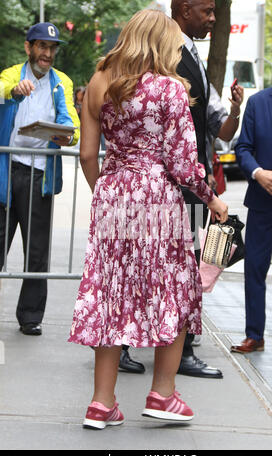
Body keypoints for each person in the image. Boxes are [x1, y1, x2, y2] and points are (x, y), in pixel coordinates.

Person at [68, 9, 228, 429]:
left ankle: (101, 403)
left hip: (113, 194)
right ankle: (163, 394)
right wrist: (212, 200)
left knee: (110, 293)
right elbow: (183, 164)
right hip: (158, 199)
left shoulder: (100, 81)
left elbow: (87, 155)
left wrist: (106, 192)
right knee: (171, 291)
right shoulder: (171, 89)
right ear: (161, 42)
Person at [120, 0, 244, 378]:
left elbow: (216, 126)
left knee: (188, 264)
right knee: (152, 263)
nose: (213, 19)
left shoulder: (193, 56)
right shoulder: (162, 52)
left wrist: (235, 111)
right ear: (184, 8)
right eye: (207, 11)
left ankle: (180, 346)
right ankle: (136, 344)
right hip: (169, 184)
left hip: (190, 184)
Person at [0, 22, 80, 336]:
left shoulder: (63, 82)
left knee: (37, 251)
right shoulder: (10, 74)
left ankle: (30, 316)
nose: (47, 54)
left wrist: (66, 137)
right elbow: (1, 91)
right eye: (41, 47)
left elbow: (72, 127)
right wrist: (12, 91)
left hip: (39, 175)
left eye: (51, 48)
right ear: (28, 47)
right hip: (7, 172)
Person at [231, 43, 272, 359]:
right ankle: (254, 335)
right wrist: (259, 174)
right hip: (261, 196)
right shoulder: (258, 103)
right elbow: (243, 147)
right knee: (255, 267)